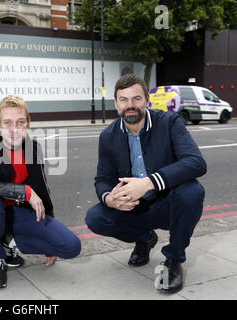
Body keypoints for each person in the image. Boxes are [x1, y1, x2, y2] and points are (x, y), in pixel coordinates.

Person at [85, 74, 207, 294]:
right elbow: (102, 179)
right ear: (116, 104)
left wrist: (149, 182)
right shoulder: (107, 136)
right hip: (134, 208)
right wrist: (109, 199)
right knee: (96, 217)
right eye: (123, 100)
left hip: (168, 204)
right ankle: (144, 238)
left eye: (136, 99)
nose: (130, 105)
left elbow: (196, 162)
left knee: (192, 191)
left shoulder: (169, 122)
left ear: (147, 101)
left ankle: (173, 260)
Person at [0, 95, 81, 289]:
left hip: (18, 213)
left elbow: (41, 189)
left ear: (28, 122)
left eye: (20, 122)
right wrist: (23, 191)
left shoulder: (33, 147)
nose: (14, 129)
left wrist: (49, 229)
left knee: (71, 246)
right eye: (7, 123)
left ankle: (8, 242)